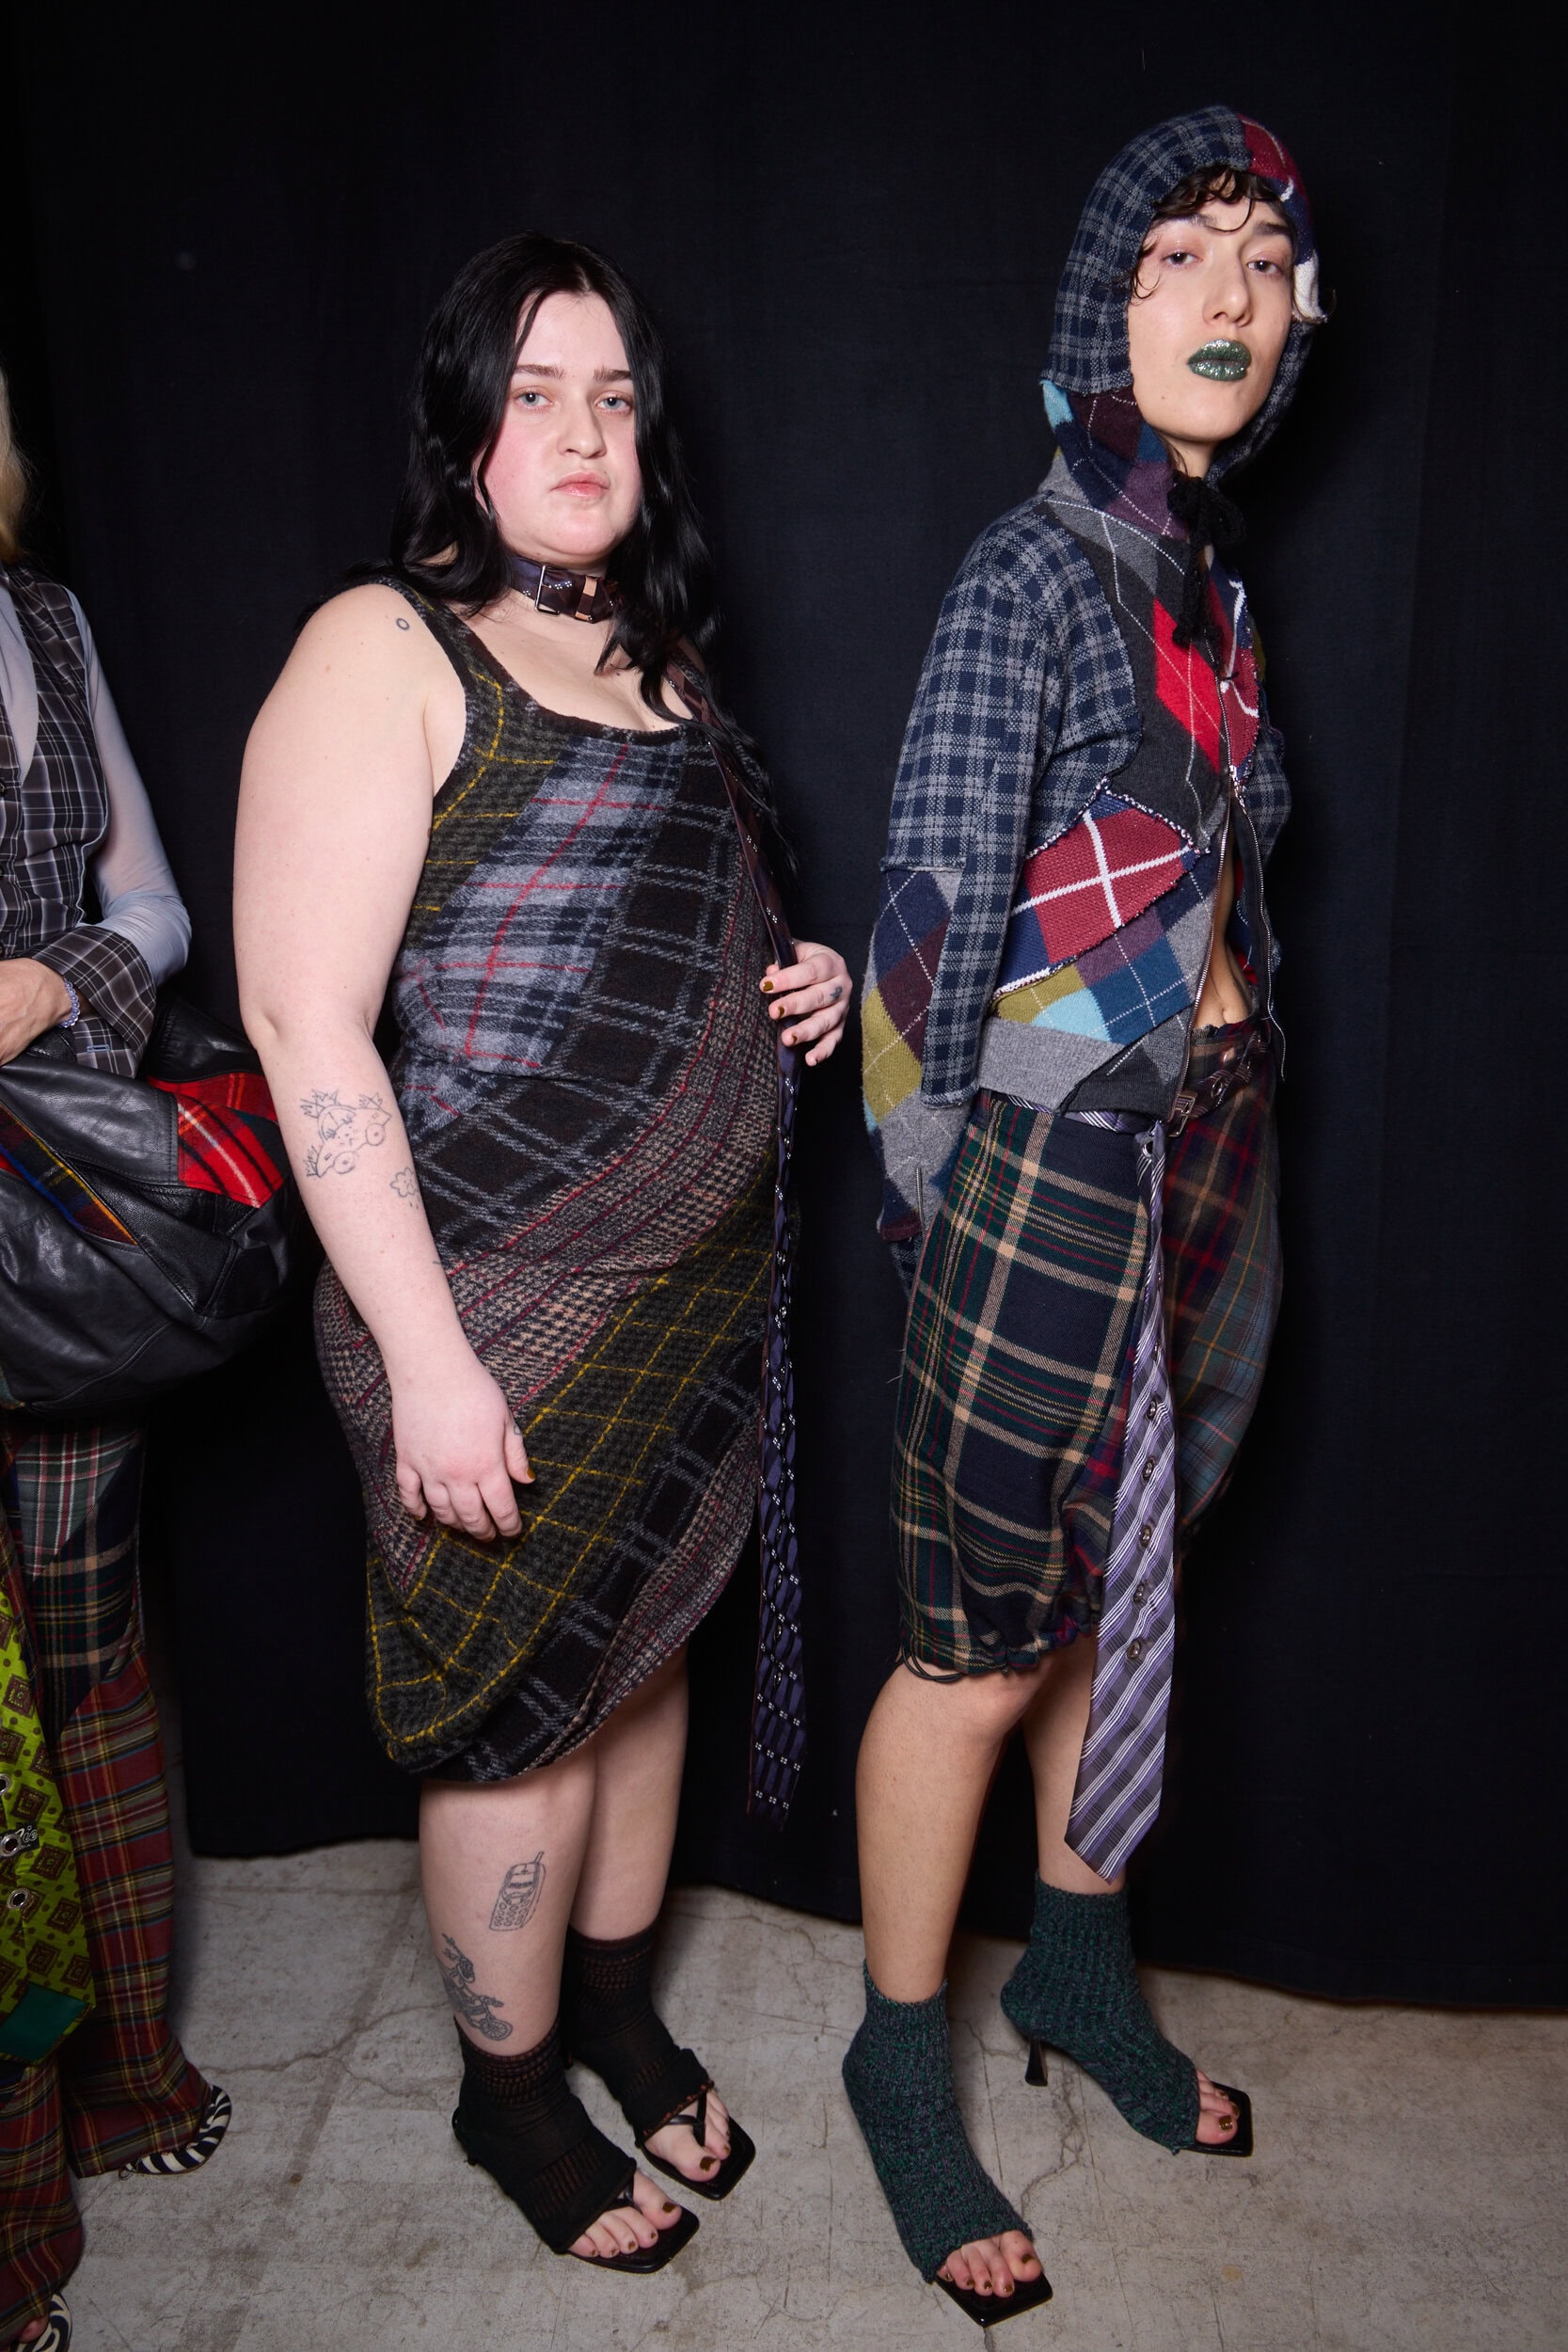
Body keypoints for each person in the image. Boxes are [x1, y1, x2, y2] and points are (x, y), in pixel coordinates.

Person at [233, 233, 850, 2274]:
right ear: (465, 427)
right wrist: (427, 1363)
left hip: (688, 1301)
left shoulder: (660, 665)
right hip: (480, 1305)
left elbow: (667, 938)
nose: (583, 433)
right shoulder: (382, 647)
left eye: (613, 397)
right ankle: (508, 2098)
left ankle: (611, 2014)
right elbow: (308, 1024)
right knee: (518, 1716)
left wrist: (811, 987)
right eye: (534, 392)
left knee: (640, 1665)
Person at [848, 108, 1325, 2322]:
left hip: (1205, 1145)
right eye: (1177, 259)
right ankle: (897, 2057)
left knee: (1120, 1600)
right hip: (1040, 1170)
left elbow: (1226, 878)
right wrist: (938, 1209)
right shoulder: (1031, 572)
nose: (1227, 297)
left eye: (1261, 261)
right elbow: (922, 933)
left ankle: (1077, 1967)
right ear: (1098, 312)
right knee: (974, 1642)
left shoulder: (1205, 580)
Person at [0, 371, 230, 2352]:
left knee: (85, 1660)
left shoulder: (48, 623)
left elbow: (152, 902)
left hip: (58, 1221)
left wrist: (47, 974)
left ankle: (130, 2073)